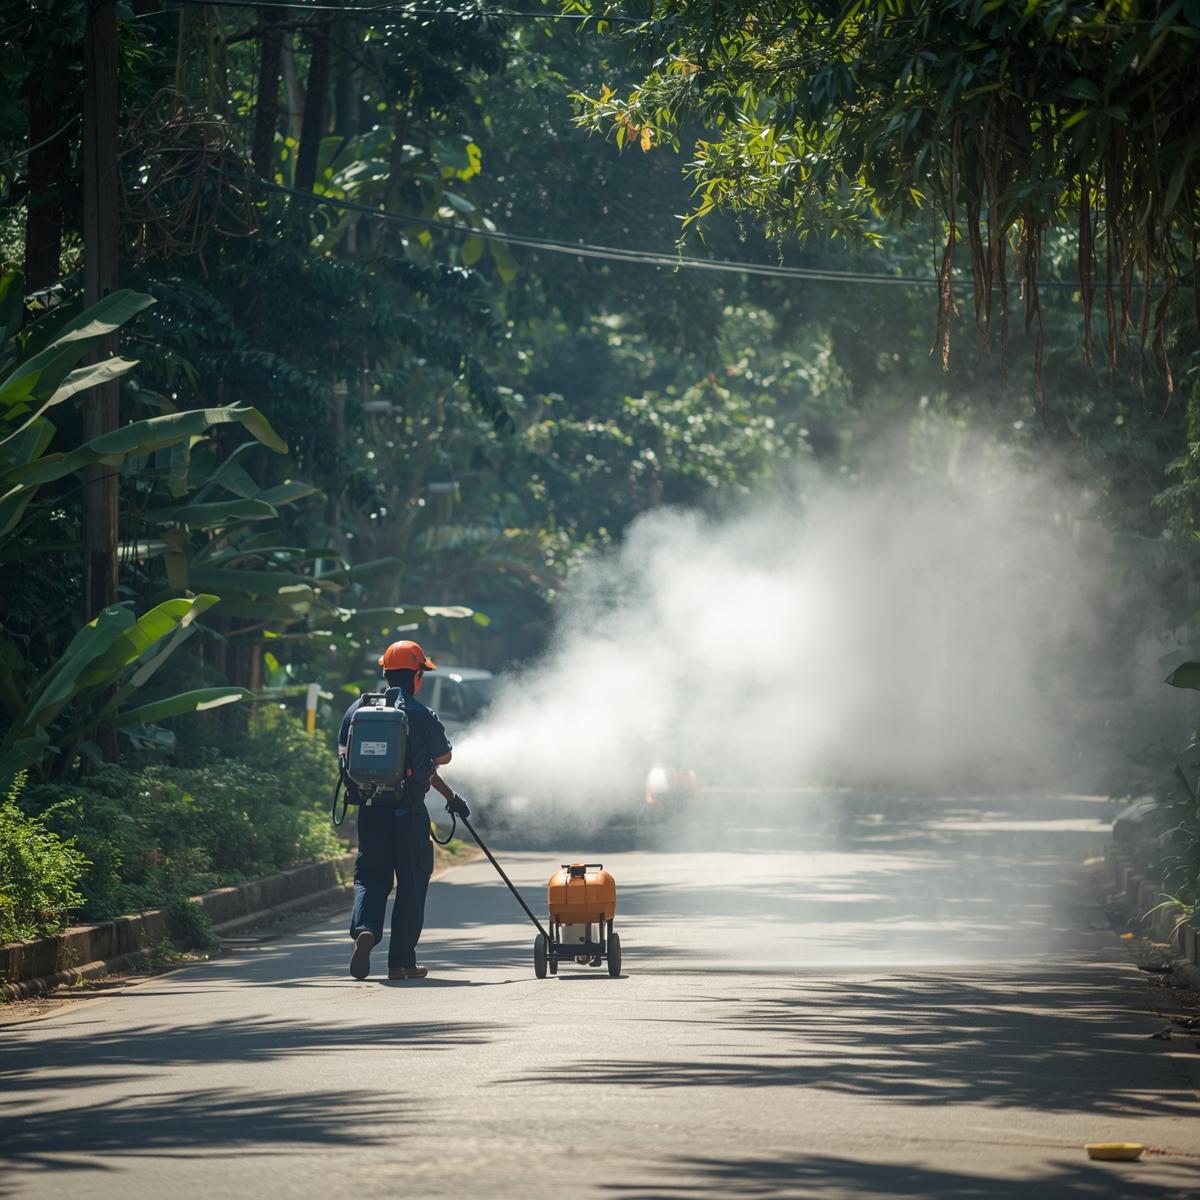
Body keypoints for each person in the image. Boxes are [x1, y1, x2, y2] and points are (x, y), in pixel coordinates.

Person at [339, 639, 467, 981]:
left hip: (370, 810)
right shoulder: (421, 715)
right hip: (408, 813)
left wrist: (449, 795)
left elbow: (343, 756)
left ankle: (365, 929)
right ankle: (401, 962)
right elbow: (441, 758)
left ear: (385, 674)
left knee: (370, 877)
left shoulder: (357, 711)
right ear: (416, 676)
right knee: (411, 884)